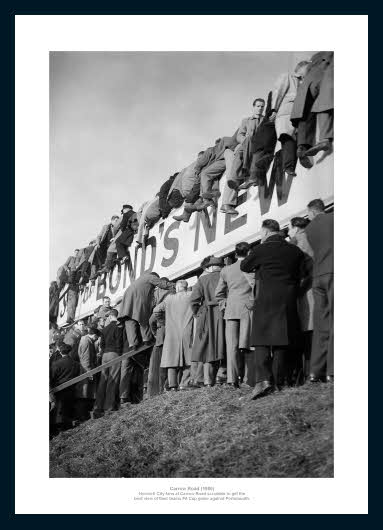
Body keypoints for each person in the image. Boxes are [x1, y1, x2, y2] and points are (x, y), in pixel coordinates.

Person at [240, 220, 307, 400]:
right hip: (287, 299)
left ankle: (263, 380)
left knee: (261, 339)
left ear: (265, 232)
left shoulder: (261, 249)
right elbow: (306, 271)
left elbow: (244, 265)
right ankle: (279, 382)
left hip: (265, 299)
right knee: (281, 340)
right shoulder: (294, 250)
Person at [118, 272, 174, 403]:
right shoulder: (150, 276)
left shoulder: (137, 280)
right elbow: (161, 283)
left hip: (127, 302)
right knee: (141, 318)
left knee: (130, 321)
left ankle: (133, 343)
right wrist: (173, 285)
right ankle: (146, 338)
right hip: (138, 300)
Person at [215, 242, 257, 388]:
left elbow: (218, 293)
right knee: (248, 345)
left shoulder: (226, 270)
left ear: (235, 254)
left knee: (231, 346)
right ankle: (247, 378)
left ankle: (232, 379)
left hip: (231, 310)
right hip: (248, 308)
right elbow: (255, 287)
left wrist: (224, 304)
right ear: (249, 252)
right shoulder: (252, 268)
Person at [174, 136, 239, 221]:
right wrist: (197, 170)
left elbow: (202, 163)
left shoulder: (216, 152)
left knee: (195, 196)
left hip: (204, 181)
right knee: (194, 196)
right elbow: (201, 163)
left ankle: (189, 212)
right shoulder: (213, 151)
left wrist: (198, 170)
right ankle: (188, 212)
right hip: (203, 180)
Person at [304, 199, 334, 383]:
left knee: (321, 324)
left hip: (318, 276)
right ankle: (333, 369)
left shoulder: (308, 229)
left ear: (312, 212)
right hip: (334, 271)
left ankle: (316, 371)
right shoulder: (334, 219)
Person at [220, 98, 265, 215]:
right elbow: (239, 135)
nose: (260, 108)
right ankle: (227, 203)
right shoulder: (246, 121)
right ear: (254, 107)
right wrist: (245, 142)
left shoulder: (266, 120)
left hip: (258, 148)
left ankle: (249, 177)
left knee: (237, 170)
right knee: (233, 172)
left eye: (262, 106)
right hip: (244, 148)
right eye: (258, 106)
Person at [269, 61, 310, 175]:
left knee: (300, 139)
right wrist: (274, 109)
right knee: (288, 139)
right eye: (308, 68)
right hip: (287, 113)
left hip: (300, 115)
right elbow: (278, 92)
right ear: (301, 68)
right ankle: (288, 167)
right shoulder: (288, 77)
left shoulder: (306, 82)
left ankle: (303, 155)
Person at [290, 52, 334, 160]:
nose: (300, 78)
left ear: (304, 66)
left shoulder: (312, 65)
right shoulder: (310, 72)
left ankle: (303, 145)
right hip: (324, 71)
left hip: (326, 67)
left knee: (307, 107)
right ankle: (320, 141)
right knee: (321, 104)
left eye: (300, 75)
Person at [190, 256, 226, 386]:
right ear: (221, 266)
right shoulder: (225, 276)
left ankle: (208, 380)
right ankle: (223, 376)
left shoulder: (203, 279)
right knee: (226, 344)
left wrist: (198, 312)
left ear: (210, 267)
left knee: (208, 347)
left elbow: (193, 300)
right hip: (225, 312)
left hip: (208, 315)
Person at [154, 280, 194, 391]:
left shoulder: (169, 298)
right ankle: (184, 383)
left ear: (177, 288)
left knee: (171, 359)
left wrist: (163, 322)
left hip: (171, 332)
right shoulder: (191, 295)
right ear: (186, 287)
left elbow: (156, 310)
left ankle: (172, 385)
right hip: (187, 330)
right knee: (189, 358)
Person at [289, 217, 314, 382]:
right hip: (314, 290)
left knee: (306, 334)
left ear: (296, 228)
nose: (288, 232)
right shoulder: (312, 238)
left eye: (289, 228)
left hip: (305, 292)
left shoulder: (298, 242)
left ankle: (307, 372)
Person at [93, 309, 124, 416]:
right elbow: (119, 343)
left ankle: (98, 407)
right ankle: (109, 406)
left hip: (105, 355)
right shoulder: (119, 328)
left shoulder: (104, 329)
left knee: (103, 380)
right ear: (116, 316)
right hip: (114, 354)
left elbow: (101, 344)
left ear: (110, 317)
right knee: (112, 380)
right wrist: (119, 354)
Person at [147, 279, 173, 397]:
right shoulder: (172, 294)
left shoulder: (157, 298)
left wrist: (155, 331)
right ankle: (166, 386)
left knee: (159, 363)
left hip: (161, 334)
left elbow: (151, 319)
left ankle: (159, 389)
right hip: (172, 332)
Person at [50, 342, 80, 435]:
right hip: (71, 388)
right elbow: (77, 375)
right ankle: (68, 425)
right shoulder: (76, 363)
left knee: (59, 409)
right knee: (68, 407)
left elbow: (52, 377)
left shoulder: (56, 364)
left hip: (59, 389)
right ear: (69, 352)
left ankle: (59, 427)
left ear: (60, 352)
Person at [76, 326, 99, 420]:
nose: (97, 339)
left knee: (85, 392)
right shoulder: (87, 342)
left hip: (84, 368)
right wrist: (90, 373)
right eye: (96, 337)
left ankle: (84, 413)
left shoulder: (84, 339)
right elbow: (86, 358)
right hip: (86, 369)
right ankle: (84, 414)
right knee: (86, 392)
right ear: (94, 335)